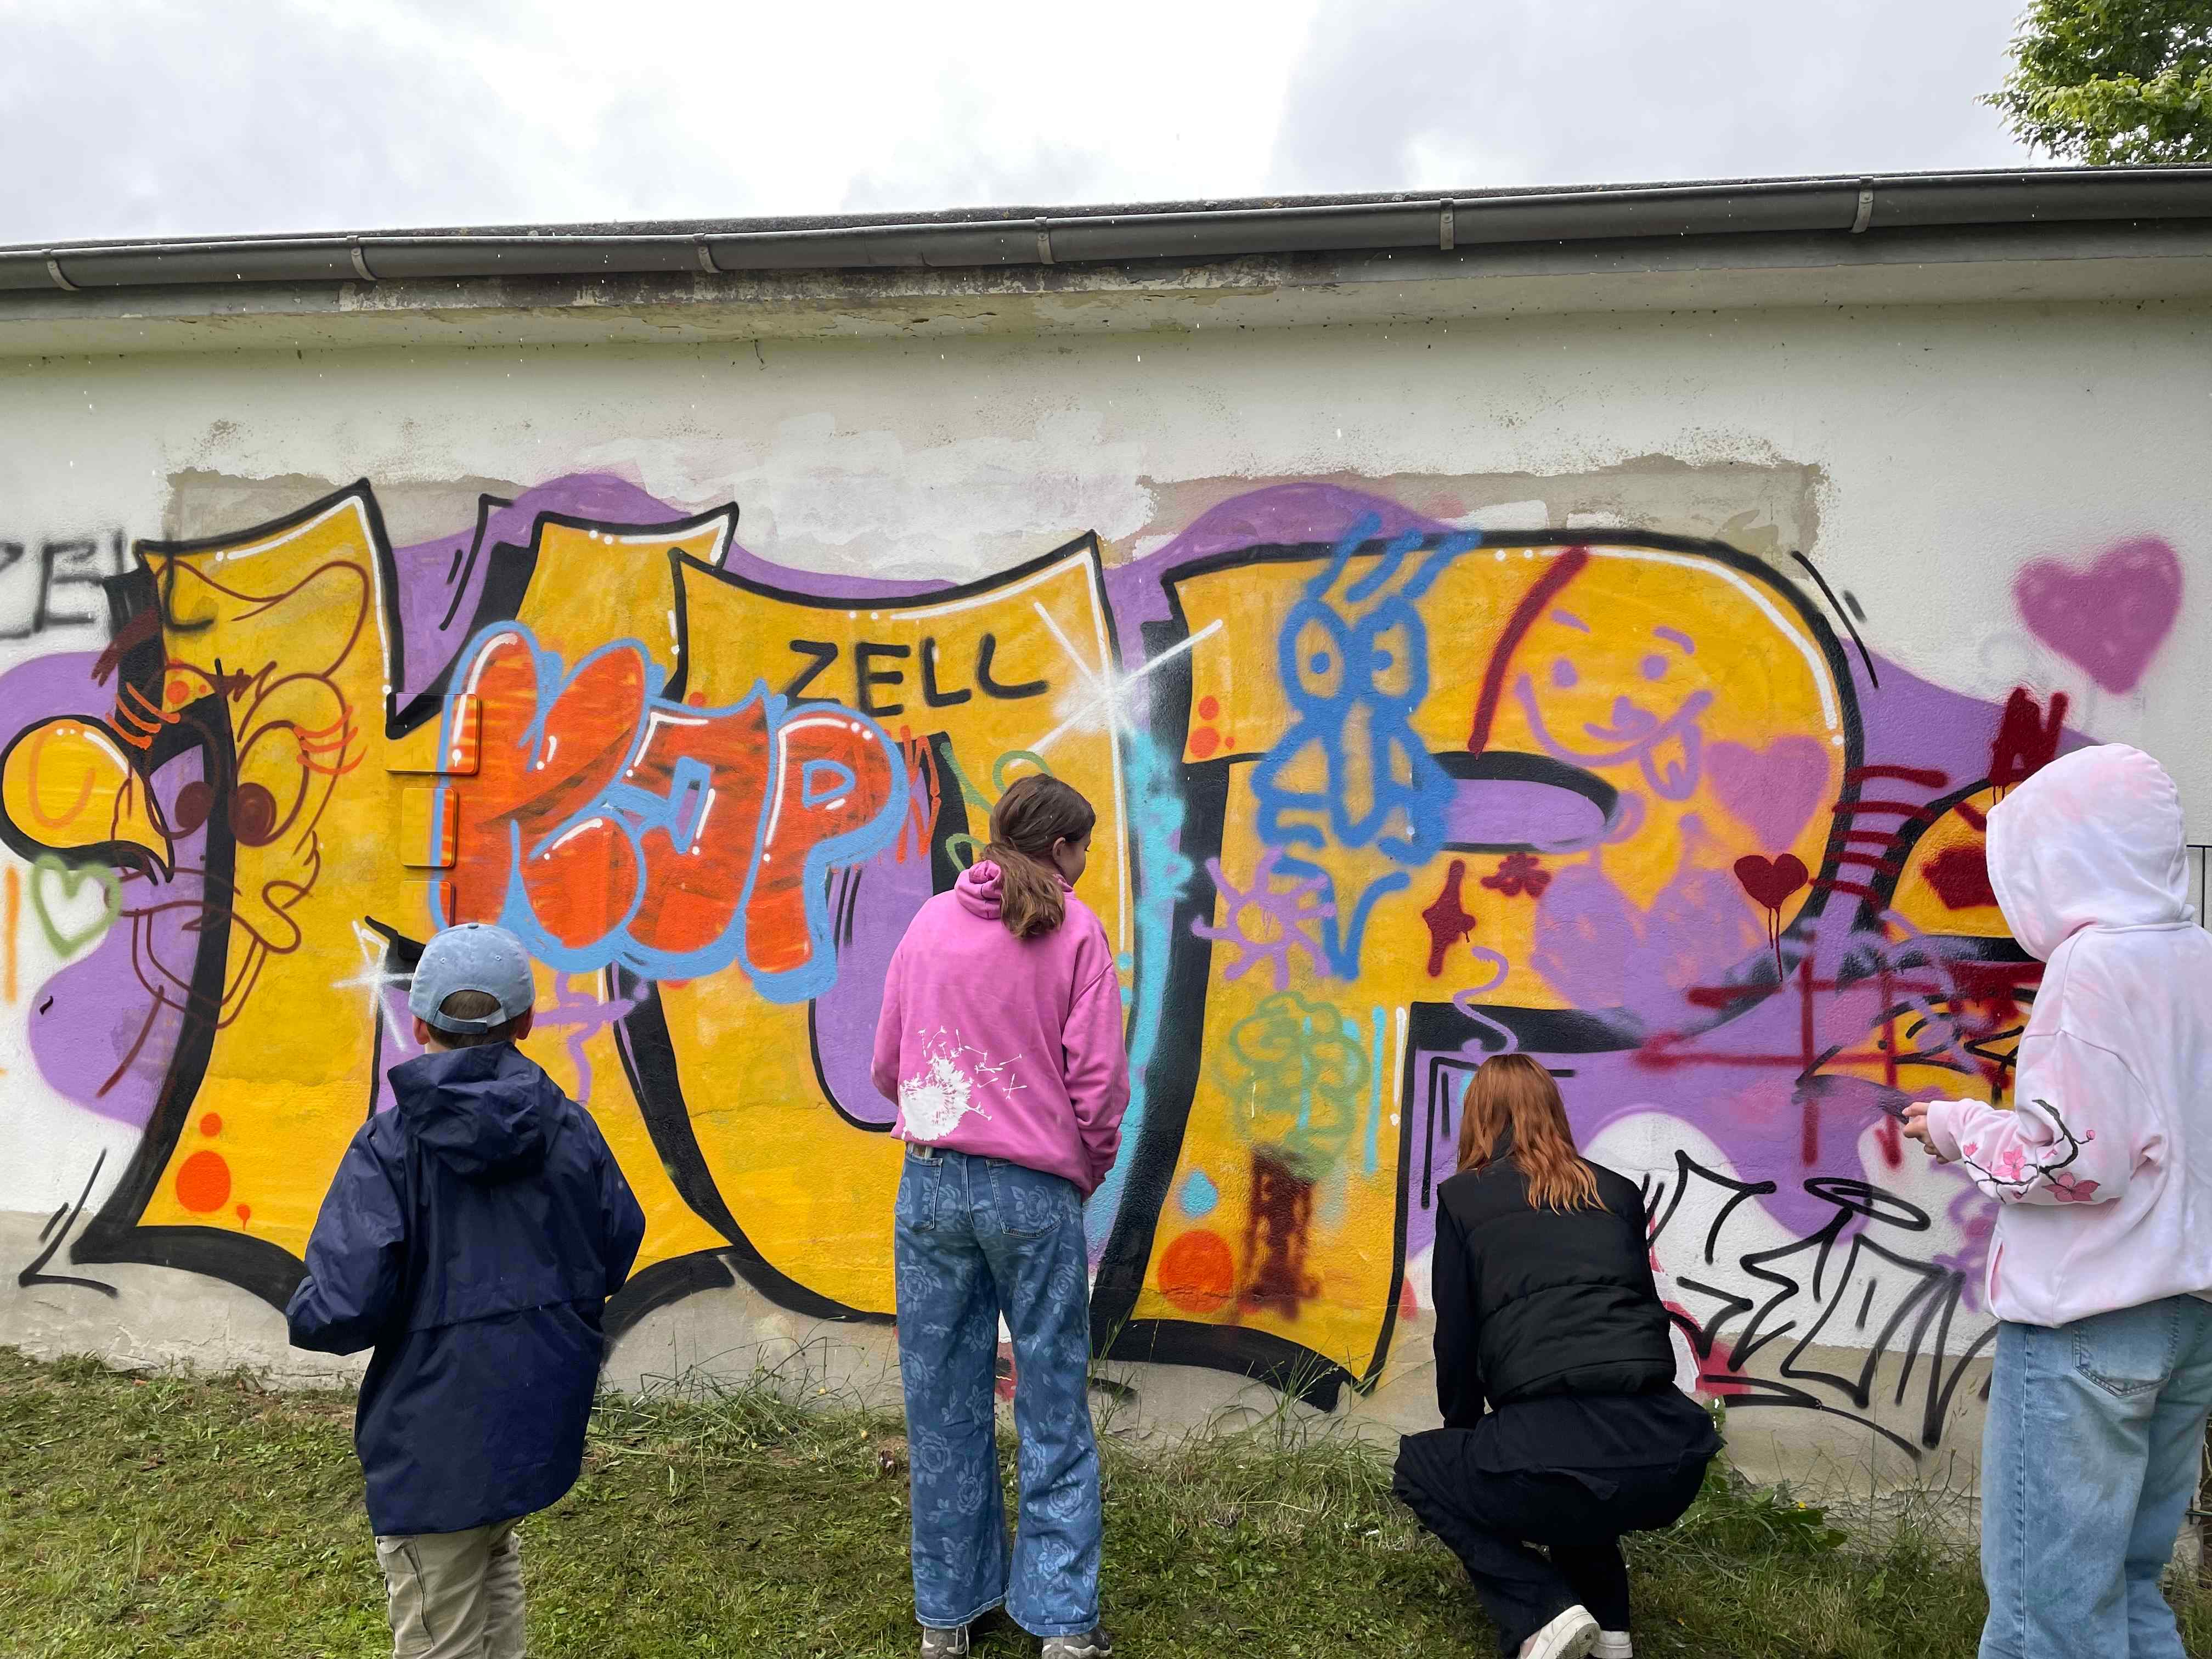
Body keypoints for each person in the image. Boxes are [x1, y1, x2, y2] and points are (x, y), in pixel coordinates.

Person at [1901, 742, 2212, 1658]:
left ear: (2069, 854)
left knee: (2045, 1621)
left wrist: (1959, 1127)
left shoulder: (2092, 968)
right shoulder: (2196, 957)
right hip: (2185, 1318)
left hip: (2086, 1324)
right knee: (2125, 1593)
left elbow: (2074, 1159)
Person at [287, 922, 646, 1659]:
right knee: (491, 1556)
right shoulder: (570, 1129)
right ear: (526, 1022)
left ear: (418, 1026)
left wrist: (304, 1310)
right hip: (532, 1415)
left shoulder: (388, 1148)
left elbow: (344, 1307)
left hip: (434, 1440)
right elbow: (617, 1242)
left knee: (438, 1623)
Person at [872, 774, 1130, 1659]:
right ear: (1058, 849)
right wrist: (1080, 1167)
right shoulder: (1077, 931)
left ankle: (948, 1614)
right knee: (1053, 1396)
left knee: (940, 1400)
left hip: (932, 1184)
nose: (1087, 864)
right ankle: (1060, 1621)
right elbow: (1098, 1087)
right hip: (1033, 1191)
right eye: (1083, 848)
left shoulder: (928, 926)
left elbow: (886, 1062)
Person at [1393, 1053, 1719, 1659]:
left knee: (1425, 1467)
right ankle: (1611, 1628)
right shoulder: (1618, 1194)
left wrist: (1471, 1448)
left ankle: (1544, 1609)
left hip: (1553, 1442)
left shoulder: (1466, 1200)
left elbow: (1456, 1345)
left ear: (1479, 1120)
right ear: (1552, 1111)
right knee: (1576, 1473)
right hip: (1667, 1453)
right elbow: (1644, 1317)